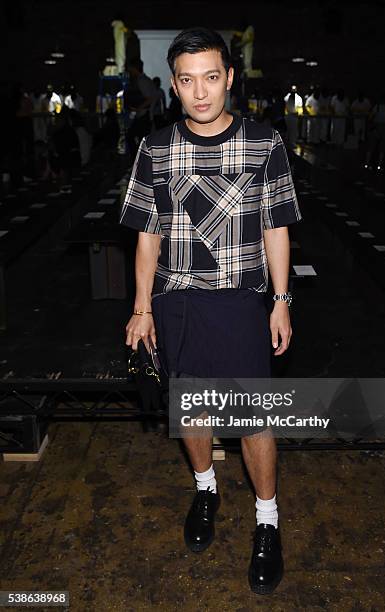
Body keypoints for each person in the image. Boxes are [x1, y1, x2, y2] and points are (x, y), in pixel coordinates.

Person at [119, 27, 303, 595]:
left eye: (212, 77)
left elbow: (275, 227)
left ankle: (267, 522)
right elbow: (146, 236)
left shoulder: (265, 142)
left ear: (229, 78)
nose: (201, 92)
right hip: (176, 300)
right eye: (187, 80)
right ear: (174, 85)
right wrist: (141, 307)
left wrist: (280, 299)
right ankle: (205, 487)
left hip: (244, 299)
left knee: (253, 418)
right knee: (192, 410)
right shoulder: (154, 149)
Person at [125, 60, 157, 159]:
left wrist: (138, 108)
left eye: (130, 68)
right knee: (141, 141)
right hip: (145, 115)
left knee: (132, 137)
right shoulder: (145, 79)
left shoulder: (142, 80)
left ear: (134, 68)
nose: (129, 71)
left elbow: (149, 98)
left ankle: (137, 163)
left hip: (144, 115)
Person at [364, 93, 385, 171]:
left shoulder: (377, 107)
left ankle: (367, 164)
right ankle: (379, 165)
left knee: (371, 146)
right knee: (382, 147)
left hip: (375, 127)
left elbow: (370, 118)